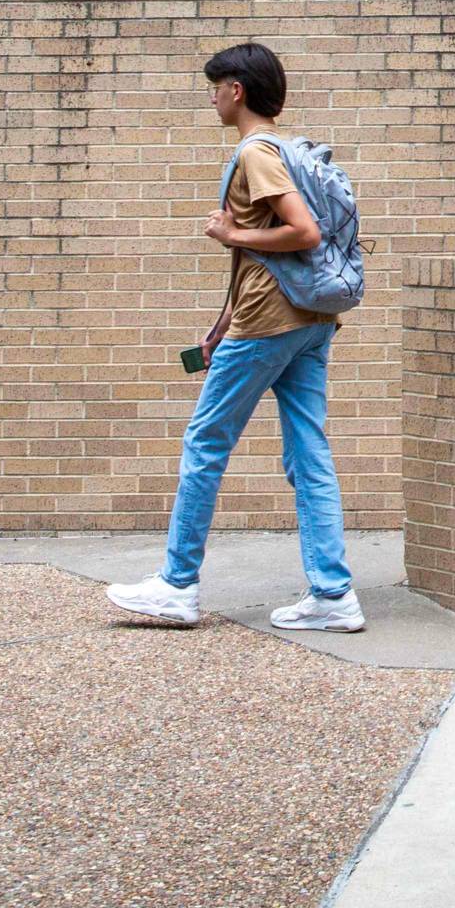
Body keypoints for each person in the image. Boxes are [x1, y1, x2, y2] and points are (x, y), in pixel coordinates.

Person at [107, 42, 364, 633]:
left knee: (205, 444)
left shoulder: (256, 154)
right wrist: (223, 322)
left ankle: (176, 585)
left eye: (216, 87)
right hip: (309, 321)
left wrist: (230, 236)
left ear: (237, 90)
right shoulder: (291, 148)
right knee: (309, 454)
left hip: (270, 323)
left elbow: (304, 231)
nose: (212, 97)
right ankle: (332, 595)